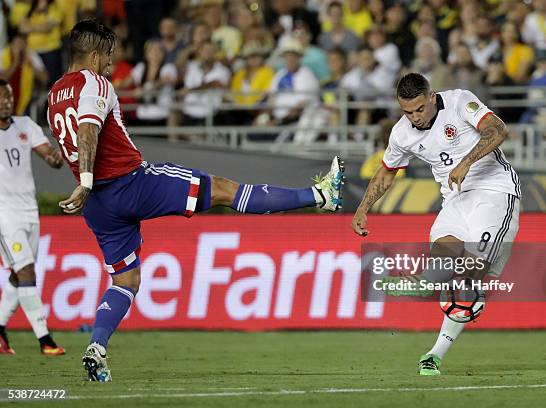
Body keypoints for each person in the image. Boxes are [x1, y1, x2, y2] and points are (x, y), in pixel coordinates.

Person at [47, 19, 345, 382]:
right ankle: (321, 195)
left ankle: (97, 347)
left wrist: (85, 184)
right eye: (108, 55)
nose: (112, 63)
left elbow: (70, 143)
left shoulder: (53, 94)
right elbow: (88, 129)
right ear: (93, 55)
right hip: (130, 183)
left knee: (126, 281)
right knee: (222, 190)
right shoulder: (94, 82)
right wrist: (90, 179)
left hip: (98, 206)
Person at [352, 73, 521, 376]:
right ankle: (429, 283)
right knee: (439, 273)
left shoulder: (459, 101)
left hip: (494, 194)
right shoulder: (401, 133)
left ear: (431, 97)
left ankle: (435, 353)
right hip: (454, 202)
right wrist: (363, 208)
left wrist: (466, 163)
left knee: (468, 277)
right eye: (407, 112)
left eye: (419, 109)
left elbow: (497, 130)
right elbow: (387, 172)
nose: (415, 118)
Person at [0, 79, 65, 355]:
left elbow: (50, 157)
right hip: (4, 214)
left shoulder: (25, 125)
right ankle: (45, 339)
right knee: (26, 270)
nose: (7, 101)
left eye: (9, 96)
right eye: (2, 97)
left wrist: (56, 157)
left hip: (29, 210)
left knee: (19, 274)